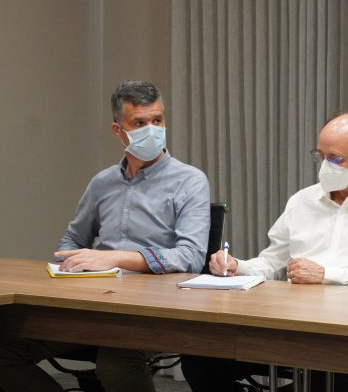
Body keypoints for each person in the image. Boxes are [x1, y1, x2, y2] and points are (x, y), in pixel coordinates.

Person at [181, 112, 348, 392]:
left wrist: (327, 274)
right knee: (198, 358)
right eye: (320, 156)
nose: (325, 166)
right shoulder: (302, 201)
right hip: (290, 325)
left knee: (326, 377)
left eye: (336, 158)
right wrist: (237, 266)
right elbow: (271, 262)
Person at [0, 80, 211, 392]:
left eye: (157, 120)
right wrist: (71, 265)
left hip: (153, 312)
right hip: (93, 305)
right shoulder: (102, 183)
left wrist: (114, 258)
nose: (151, 129)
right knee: (5, 350)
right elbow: (71, 242)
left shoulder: (190, 181)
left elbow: (190, 257)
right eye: (139, 123)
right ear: (118, 130)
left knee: (115, 364)